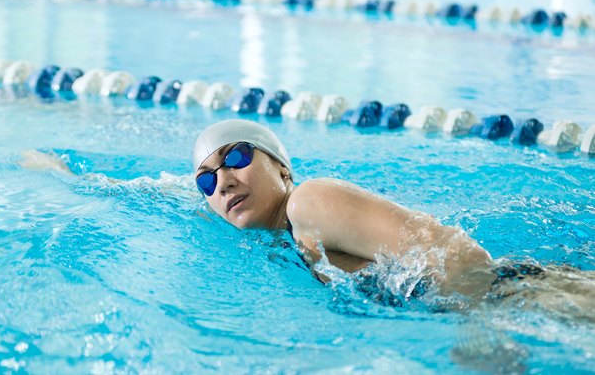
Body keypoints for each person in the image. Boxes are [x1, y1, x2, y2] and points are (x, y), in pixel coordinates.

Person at [192, 119, 594, 308]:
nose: (223, 181)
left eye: (237, 157)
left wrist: (481, 332)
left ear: (283, 167)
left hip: (526, 296)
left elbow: (452, 251)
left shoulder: (308, 202)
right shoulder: (291, 234)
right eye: (206, 180)